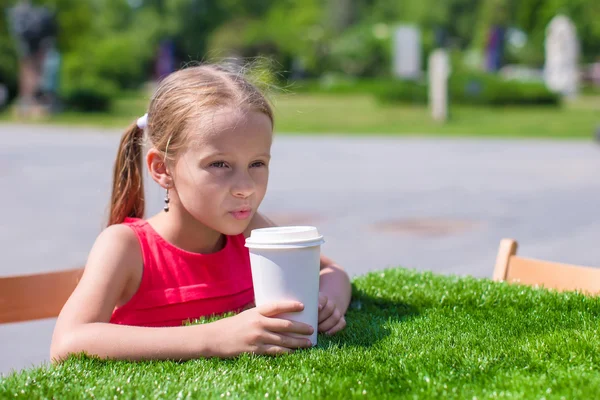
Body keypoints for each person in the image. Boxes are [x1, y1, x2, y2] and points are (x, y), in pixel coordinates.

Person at [50, 64, 351, 362]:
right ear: (162, 169)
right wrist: (214, 338)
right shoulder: (126, 247)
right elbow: (68, 342)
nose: (245, 187)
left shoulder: (251, 233)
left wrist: (327, 304)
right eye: (220, 164)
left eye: (257, 163)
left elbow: (331, 271)